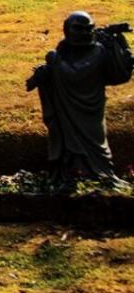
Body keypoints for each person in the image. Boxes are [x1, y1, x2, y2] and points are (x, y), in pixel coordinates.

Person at [27, 11, 133, 193]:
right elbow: (47, 78)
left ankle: (100, 178)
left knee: (97, 148)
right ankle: (69, 178)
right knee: (69, 149)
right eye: (78, 29)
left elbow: (119, 74)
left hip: (92, 114)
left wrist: (116, 43)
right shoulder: (57, 56)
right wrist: (44, 77)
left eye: (88, 29)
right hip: (65, 114)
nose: (84, 33)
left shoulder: (100, 52)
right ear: (67, 30)